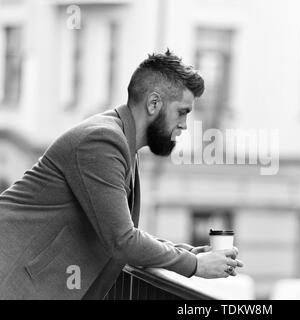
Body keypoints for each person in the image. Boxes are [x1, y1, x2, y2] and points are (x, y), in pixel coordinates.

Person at [0, 50, 243, 300]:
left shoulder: (121, 143)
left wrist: (190, 253)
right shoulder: (102, 141)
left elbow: (120, 231)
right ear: (153, 104)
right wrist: (195, 266)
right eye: (182, 112)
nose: (184, 124)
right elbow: (123, 241)